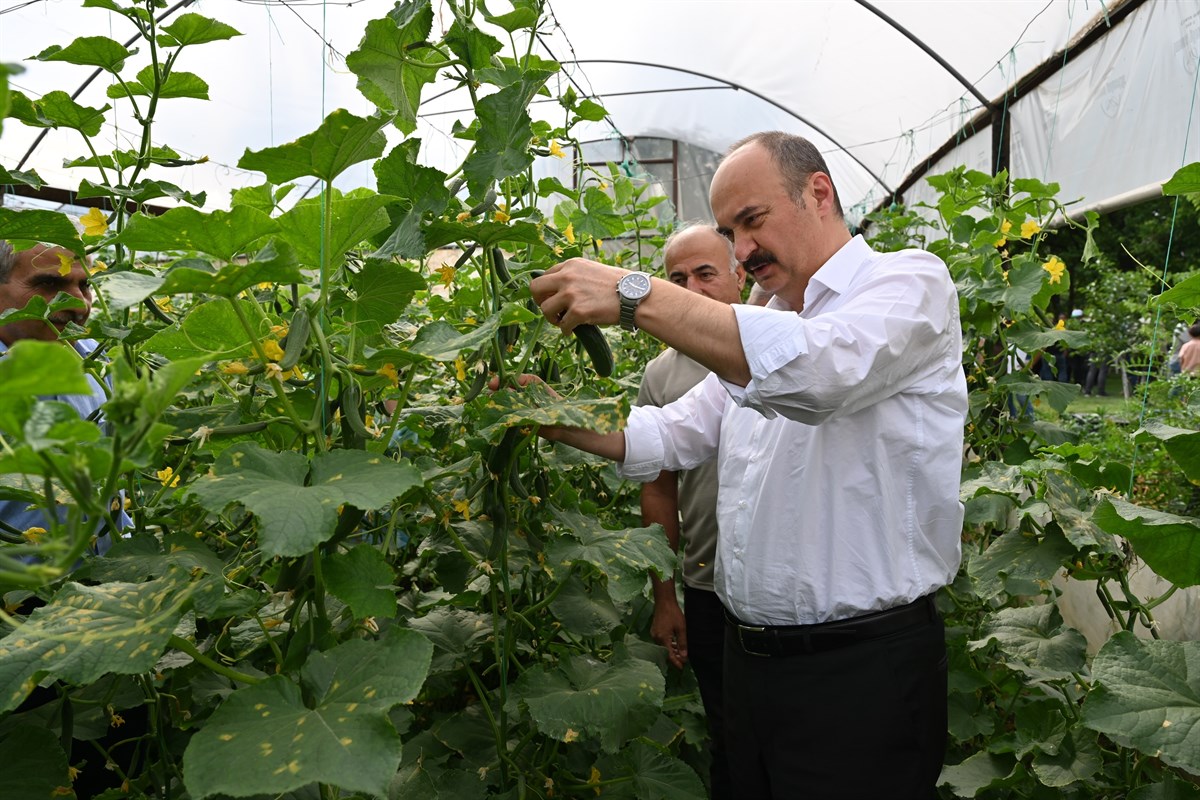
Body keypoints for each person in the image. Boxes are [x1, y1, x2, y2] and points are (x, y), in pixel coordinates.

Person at [527, 131, 967, 798]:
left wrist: (631, 293)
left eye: (752, 222)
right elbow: (670, 435)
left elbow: (818, 372)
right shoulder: (764, 318)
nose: (742, 252)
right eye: (729, 232)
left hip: (860, 675)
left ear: (819, 192)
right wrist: (551, 416)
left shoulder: (907, 284)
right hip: (750, 665)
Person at [638, 222, 744, 800]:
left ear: (739, 274)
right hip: (707, 587)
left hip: (780, 587)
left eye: (706, 273)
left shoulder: (775, 344)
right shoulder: (662, 373)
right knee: (730, 735)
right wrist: (665, 594)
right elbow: (657, 489)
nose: (691, 288)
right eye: (676, 278)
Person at [0, 238, 115, 547]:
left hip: (106, 576)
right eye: (49, 283)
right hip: (22, 587)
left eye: (85, 285)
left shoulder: (96, 360)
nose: (80, 305)